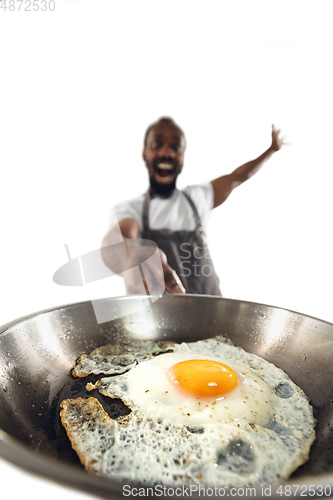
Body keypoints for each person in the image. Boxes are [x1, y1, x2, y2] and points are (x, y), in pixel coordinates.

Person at [101, 117, 285, 295]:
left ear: (182, 157)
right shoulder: (131, 209)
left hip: (215, 319)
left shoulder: (197, 198)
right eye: (157, 145)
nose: (166, 153)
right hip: (164, 323)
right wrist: (133, 255)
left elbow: (236, 177)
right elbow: (117, 239)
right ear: (144, 153)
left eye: (175, 147)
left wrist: (271, 150)